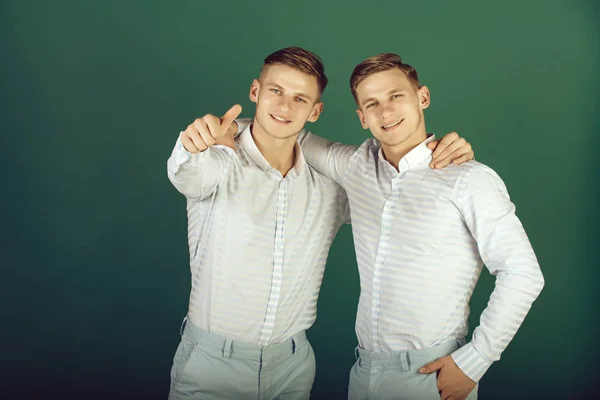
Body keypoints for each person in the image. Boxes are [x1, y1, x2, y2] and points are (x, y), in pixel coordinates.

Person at [167, 47, 473, 399]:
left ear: (315, 111)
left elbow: (397, 189)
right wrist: (194, 143)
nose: (284, 107)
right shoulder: (216, 159)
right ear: (255, 92)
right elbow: (186, 173)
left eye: (300, 99)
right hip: (211, 366)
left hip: (293, 368)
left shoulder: (332, 186)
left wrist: (444, 155)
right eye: (275, 92)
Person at [243, 53, 545, 400]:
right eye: (372, 104)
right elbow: (288, 132)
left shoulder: (469, 179)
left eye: (396, 96)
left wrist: (474, 361)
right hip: (364, 374)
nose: (385, 111)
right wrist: (226, 128)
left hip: (433, 374)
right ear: (361, 118)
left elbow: (523, 274)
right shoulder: (355, 166)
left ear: (423, 98)